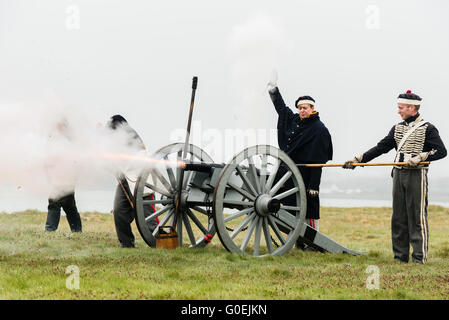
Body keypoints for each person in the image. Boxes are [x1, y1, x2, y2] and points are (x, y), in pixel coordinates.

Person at [343, 90, 447, 264]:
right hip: (398, 173)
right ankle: (400, 258)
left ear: (412, 107)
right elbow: (381, 147)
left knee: (417, 216)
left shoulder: (428, 128)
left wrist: (421, 157)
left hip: (417, 175)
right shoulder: (397, 128)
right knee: (398, 218)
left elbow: (441, 151)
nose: (398, 111)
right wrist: (358, 160)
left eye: (401, 108)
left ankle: (419, 258)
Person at [267, 78, 333, 246]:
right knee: (291, 208)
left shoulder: (319, 130)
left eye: (305, 108)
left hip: (306, 175)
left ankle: (314, 243)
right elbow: (281, 108)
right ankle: (297, 242)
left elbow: (318, 162)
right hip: (287, 174)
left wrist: (314, 186)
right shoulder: (295, 120)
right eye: (300, 108)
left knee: (308, 210)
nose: (302, 111)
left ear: (313, 109)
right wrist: (274, 90)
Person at [107, 115, 158, 248]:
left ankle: (158, 242)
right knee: (119, 211)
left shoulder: (130, 135)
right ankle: (127, 244)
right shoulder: (117, 138)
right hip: (125, 178)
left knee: (147, 215)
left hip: (140, 178)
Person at [45, 118, 82, 232]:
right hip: (58, 177)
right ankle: (76, 230)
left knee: (56, 203)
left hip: (66, 177)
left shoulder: (68, 142)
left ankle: (50, 230)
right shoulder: (57, 140)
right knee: (69, 205)